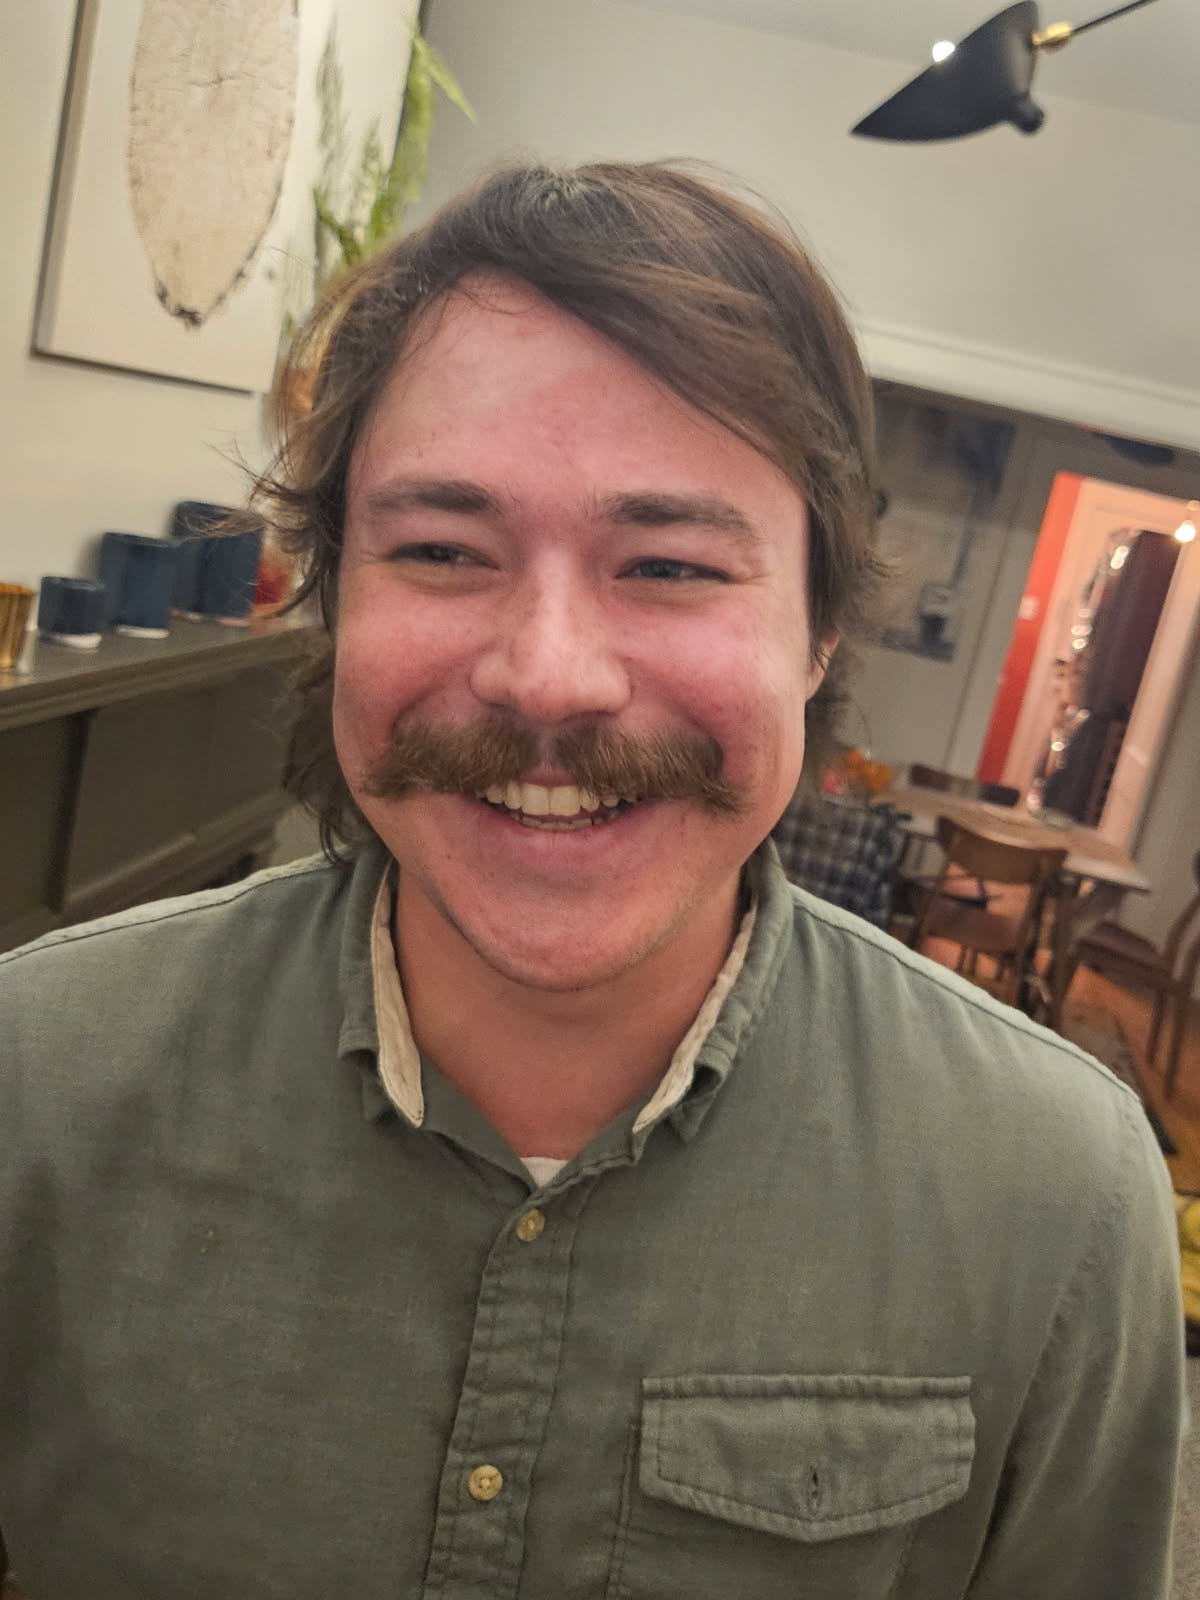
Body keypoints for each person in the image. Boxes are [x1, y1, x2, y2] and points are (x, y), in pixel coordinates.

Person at [0, 161, 1182, 1597]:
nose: (549, 676)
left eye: (669, 567)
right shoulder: (35, 1084)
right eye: (443, 551)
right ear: (334, 600)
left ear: (819, 631)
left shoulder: (1056, 1195)